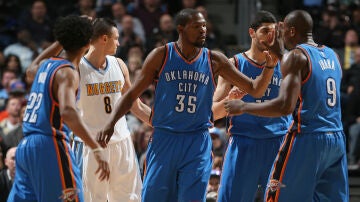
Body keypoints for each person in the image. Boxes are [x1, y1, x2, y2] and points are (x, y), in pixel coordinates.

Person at [97, 8, 277, 201]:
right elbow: (132, 94)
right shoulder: (161, 55)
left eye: (204, 26)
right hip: (165, 139)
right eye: (197, 26)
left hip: (197, 141)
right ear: (181, 29)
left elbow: (255, 89)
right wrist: (111, 122)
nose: (203, 30)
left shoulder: (215, 59)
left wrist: (269, 67)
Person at [225, 10, 348, 201]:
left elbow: (284, 106)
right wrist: (279, 53)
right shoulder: (333, 56)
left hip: (307, 137)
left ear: (291, 31)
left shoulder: (296, 56)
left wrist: (244, 107)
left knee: (277, 196)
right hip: (336, 138)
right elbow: (305, 68)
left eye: (281, 32)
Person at [7, 15, 110, 202]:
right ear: (88, 43)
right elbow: (68, 111)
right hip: (50, 145)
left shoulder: (46, 65)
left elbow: (30, 70)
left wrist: (60, 42)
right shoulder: (67, 72)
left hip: (25, 146)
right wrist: (96, 148)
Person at [212, 11, 292, 202]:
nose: (270, 36)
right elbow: (213, 113)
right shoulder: (234, 64)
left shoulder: (287, 63)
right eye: (265, 31)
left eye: (274, 32)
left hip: (278, 142)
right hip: (244, 142)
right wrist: (229, 100)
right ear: (251, 33)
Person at [77, 17, 151, 202]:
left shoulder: (119, 65)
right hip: (92, 146)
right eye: (115, 38)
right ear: (104, 38)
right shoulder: (77, 69)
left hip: (121, 141)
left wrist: (163, 123)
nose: (118, 43)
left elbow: (135, 104)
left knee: (131, 199)